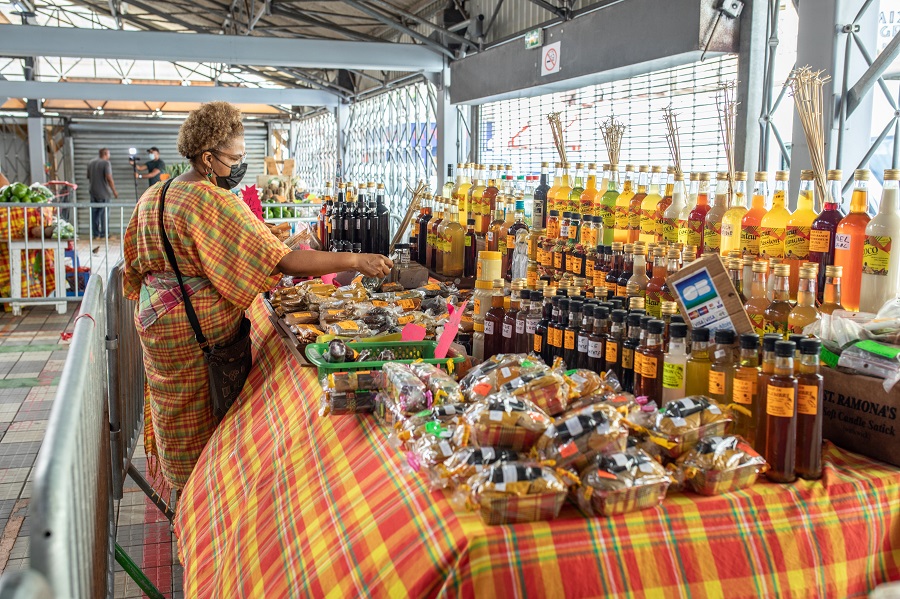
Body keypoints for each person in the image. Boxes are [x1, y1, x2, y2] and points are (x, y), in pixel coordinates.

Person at [123, 101, 392, 489]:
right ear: (208, 157)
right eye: (234, 158)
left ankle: (178, 492)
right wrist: (356, 258)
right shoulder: (212, 199)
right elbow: (281, 261)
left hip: (156, 326)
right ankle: (202, 500)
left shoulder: (156, 193)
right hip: (196, 335)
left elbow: (134, 264)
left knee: (173, 411)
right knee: (201, 419)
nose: (238, 165)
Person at [86, 148, 118, 238]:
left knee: (94, 214)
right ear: (105, 154)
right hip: (104, 193)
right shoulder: (106, 163)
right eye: (109, 154)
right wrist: (114, 191)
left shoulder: (90, 162)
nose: (109, 156)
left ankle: (95, 235)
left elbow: (88, 176)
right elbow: (109, 178)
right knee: (104, 214)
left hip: (93, 192)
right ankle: (104, 234)